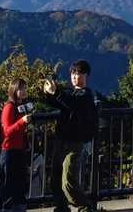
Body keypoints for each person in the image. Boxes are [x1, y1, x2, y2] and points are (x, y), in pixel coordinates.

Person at [42, 60, 100, 212]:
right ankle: (61, 207)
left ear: (86, 75)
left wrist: (56, 92)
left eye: (78, 73)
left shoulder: (86, 95)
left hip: (74, 143)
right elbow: (59, 102)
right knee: (55, 177)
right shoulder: (71, 92)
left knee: (68, 180)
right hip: (61, 139)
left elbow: (72, 102)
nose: (74, 77)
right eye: (73, 73)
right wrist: (48, 93)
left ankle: (85, 207)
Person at [0, 78, 33, 212]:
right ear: (14, 90)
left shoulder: (21, 106)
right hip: (9, 152)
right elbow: (7, 131)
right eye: (20, 88)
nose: (23, 91)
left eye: (25, 88)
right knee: (8, 188)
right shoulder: (9, 107)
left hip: (19, 151)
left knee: (20, 187)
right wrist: (22, 122)